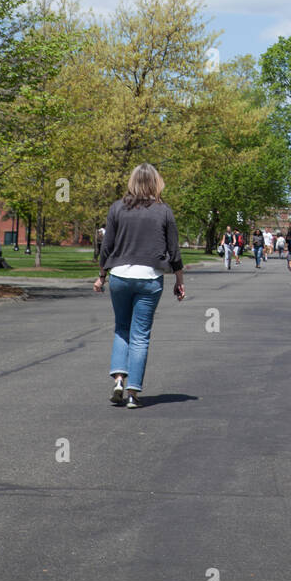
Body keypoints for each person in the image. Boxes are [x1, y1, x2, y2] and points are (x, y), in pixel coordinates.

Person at [93, 163, 185, 407]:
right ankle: (133, 393)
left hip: (120, 276)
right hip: (150, 277)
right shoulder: (164, 211)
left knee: (121, 328)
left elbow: (107, 246)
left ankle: (119, 380)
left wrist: (102, 275)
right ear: (156, 182)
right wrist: (179, 280)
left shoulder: (117, 208)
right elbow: (174, 249)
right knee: (140, 335)